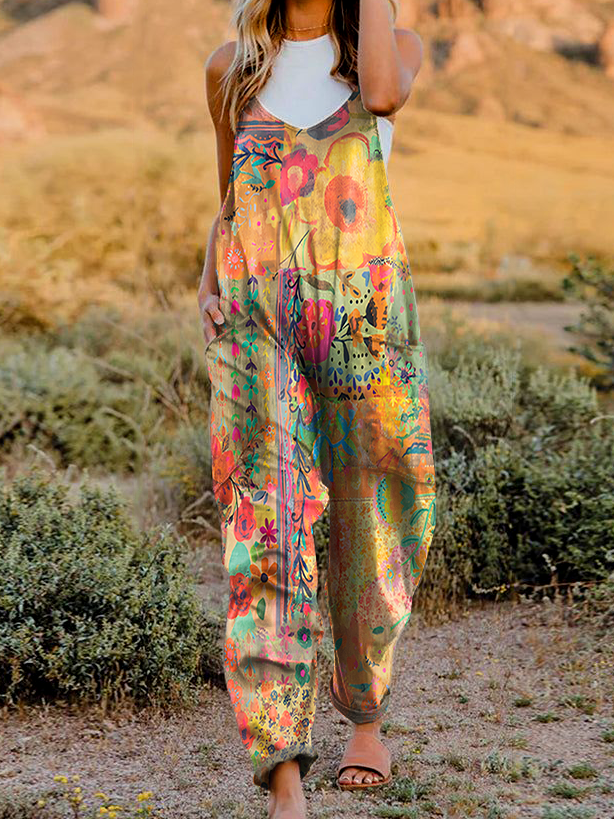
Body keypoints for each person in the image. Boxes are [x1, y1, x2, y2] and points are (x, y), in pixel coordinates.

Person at [198, 1, 436, 816]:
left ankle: (364, 712)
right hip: (256, 321)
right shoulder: (232, 68)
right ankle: (283, 770)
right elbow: (230, 197)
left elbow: (384, 97)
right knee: (263, 521)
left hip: (363, 321)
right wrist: (208, 279)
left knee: (377, 511)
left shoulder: (389, 50)